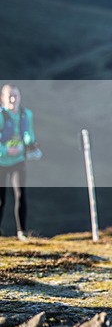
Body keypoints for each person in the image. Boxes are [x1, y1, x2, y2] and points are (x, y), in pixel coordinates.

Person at [0, 85, 41, 241]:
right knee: (1, 199)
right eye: (9, 96)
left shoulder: (26, 114)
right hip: (1, 161)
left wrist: (30, 144)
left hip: (18, 160)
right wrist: (4, 150)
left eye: (15, 96)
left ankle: (21, 232)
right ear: (2, 98)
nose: (13, 99)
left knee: (20, 195)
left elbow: (28, 133)